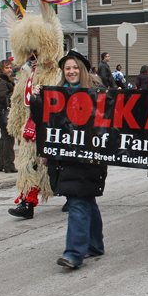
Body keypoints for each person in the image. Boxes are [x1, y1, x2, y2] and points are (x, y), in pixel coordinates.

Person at [30, 50, 107, 269]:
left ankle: (74, 252)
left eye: (75, 67)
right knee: (85, 199)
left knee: (77, 200)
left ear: (82, 69)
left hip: (87, 158)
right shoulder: (54, 94)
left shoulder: (97, 92)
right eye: (67, 68)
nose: (71, 71)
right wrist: (37, 100)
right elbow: (41, 121)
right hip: (63, 158)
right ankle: (94, 245)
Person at [0, 60, 17, 173]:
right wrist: (16, 92)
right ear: (1, 69)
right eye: (7, 68)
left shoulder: (3, 80)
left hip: (2, 112)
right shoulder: (0, 82)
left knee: (5, 139)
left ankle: (4, 165)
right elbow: (5, 97)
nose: (9, 69)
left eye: (10, 67)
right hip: (3, 113)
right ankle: (8, 166)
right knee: (8, 139)